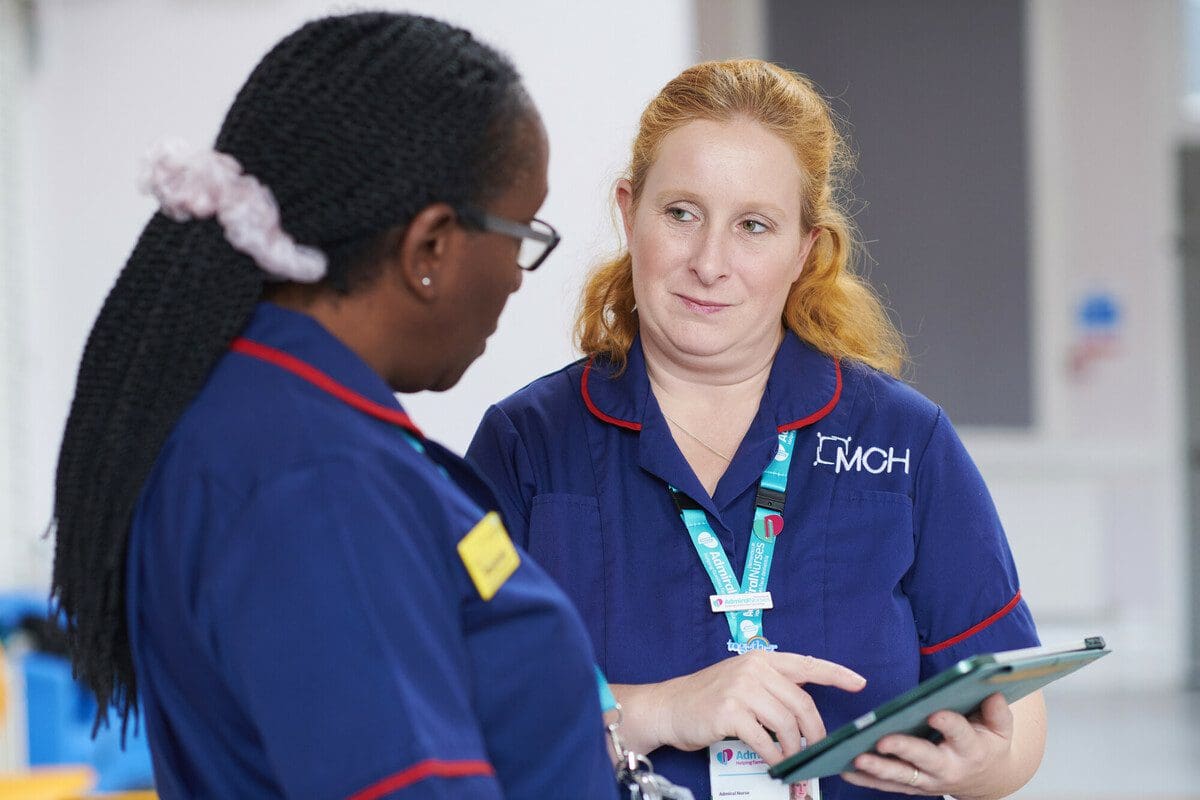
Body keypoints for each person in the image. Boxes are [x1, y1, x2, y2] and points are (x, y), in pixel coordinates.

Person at [50, 13, 617, 799]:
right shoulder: (314, 479)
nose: (520, 276)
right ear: (431, 248)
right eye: (521, 235)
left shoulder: (275, 418)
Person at [467, 59, 1047, 800]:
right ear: (629, 210)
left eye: (753, 226)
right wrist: (658, 709)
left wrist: (983, 767)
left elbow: (1017, 709)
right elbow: (462, 699)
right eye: (680, 213)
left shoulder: (904, 442)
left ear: (805, 248)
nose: (710, 262)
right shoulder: (526, 446)